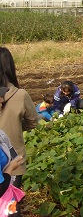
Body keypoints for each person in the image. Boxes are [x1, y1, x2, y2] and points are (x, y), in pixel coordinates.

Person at [0, 47, 38, 216]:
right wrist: (15, 125)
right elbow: (32, 122)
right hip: (13, 162)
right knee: (10, 205)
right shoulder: (20, 95)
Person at [0, 124, 25, 216]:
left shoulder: (1, 134)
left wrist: (15, 160)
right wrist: (10, 168)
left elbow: (10, 150)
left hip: (8, 196)